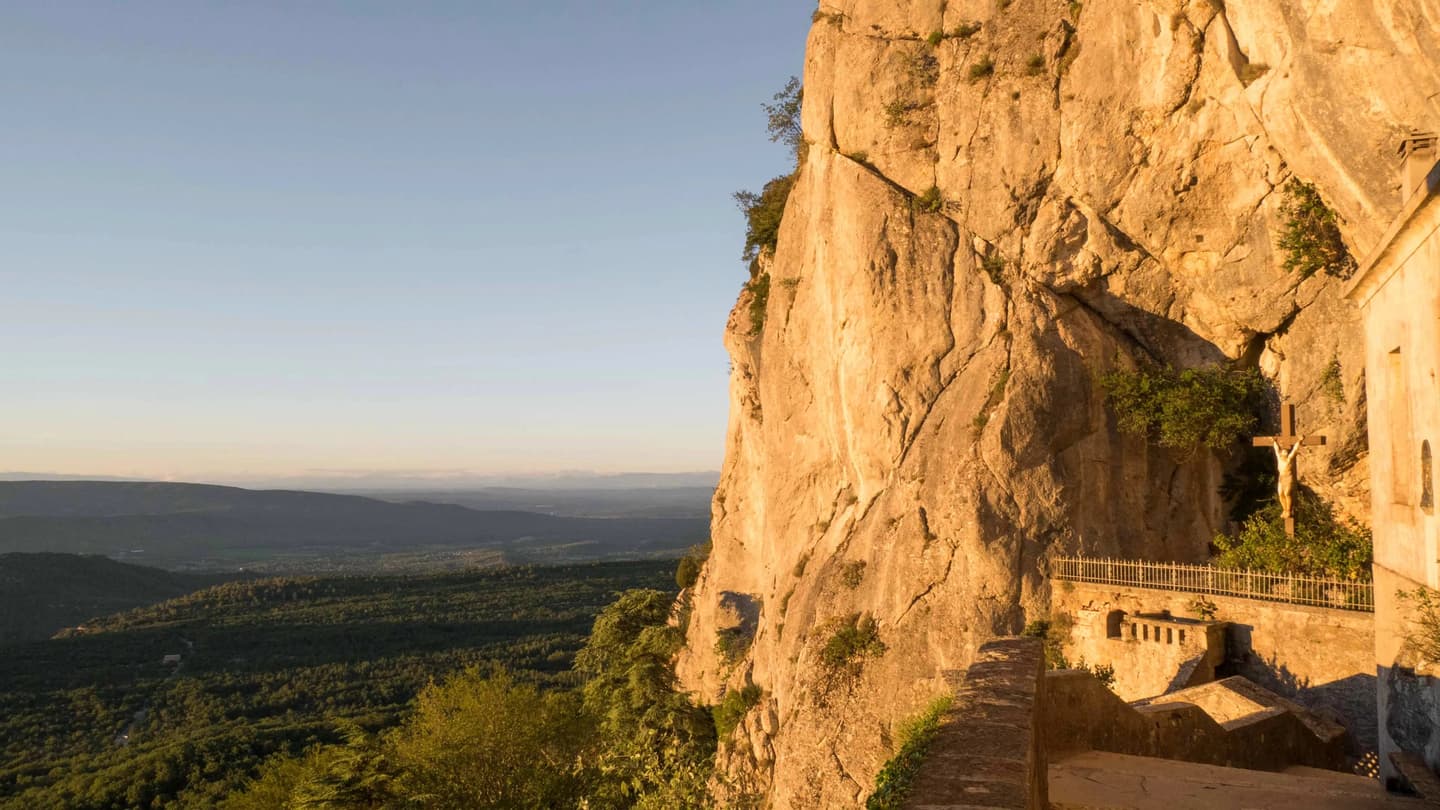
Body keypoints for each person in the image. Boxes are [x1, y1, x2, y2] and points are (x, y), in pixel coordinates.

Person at [1272, 437, 1304, 520]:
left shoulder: (1289, 459)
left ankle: (1289, 510)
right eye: (1283, 451)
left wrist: (1299, 441)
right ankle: (1285, 510)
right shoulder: (1279, 458)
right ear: (1281, 453)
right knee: (1280, 494)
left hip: (1288, 478)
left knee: (1287, 493)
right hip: (1281, 478)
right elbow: (1276, 450)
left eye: (1286, 451)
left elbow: (1294, 450)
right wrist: (1275, 441)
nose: (1285, 452)